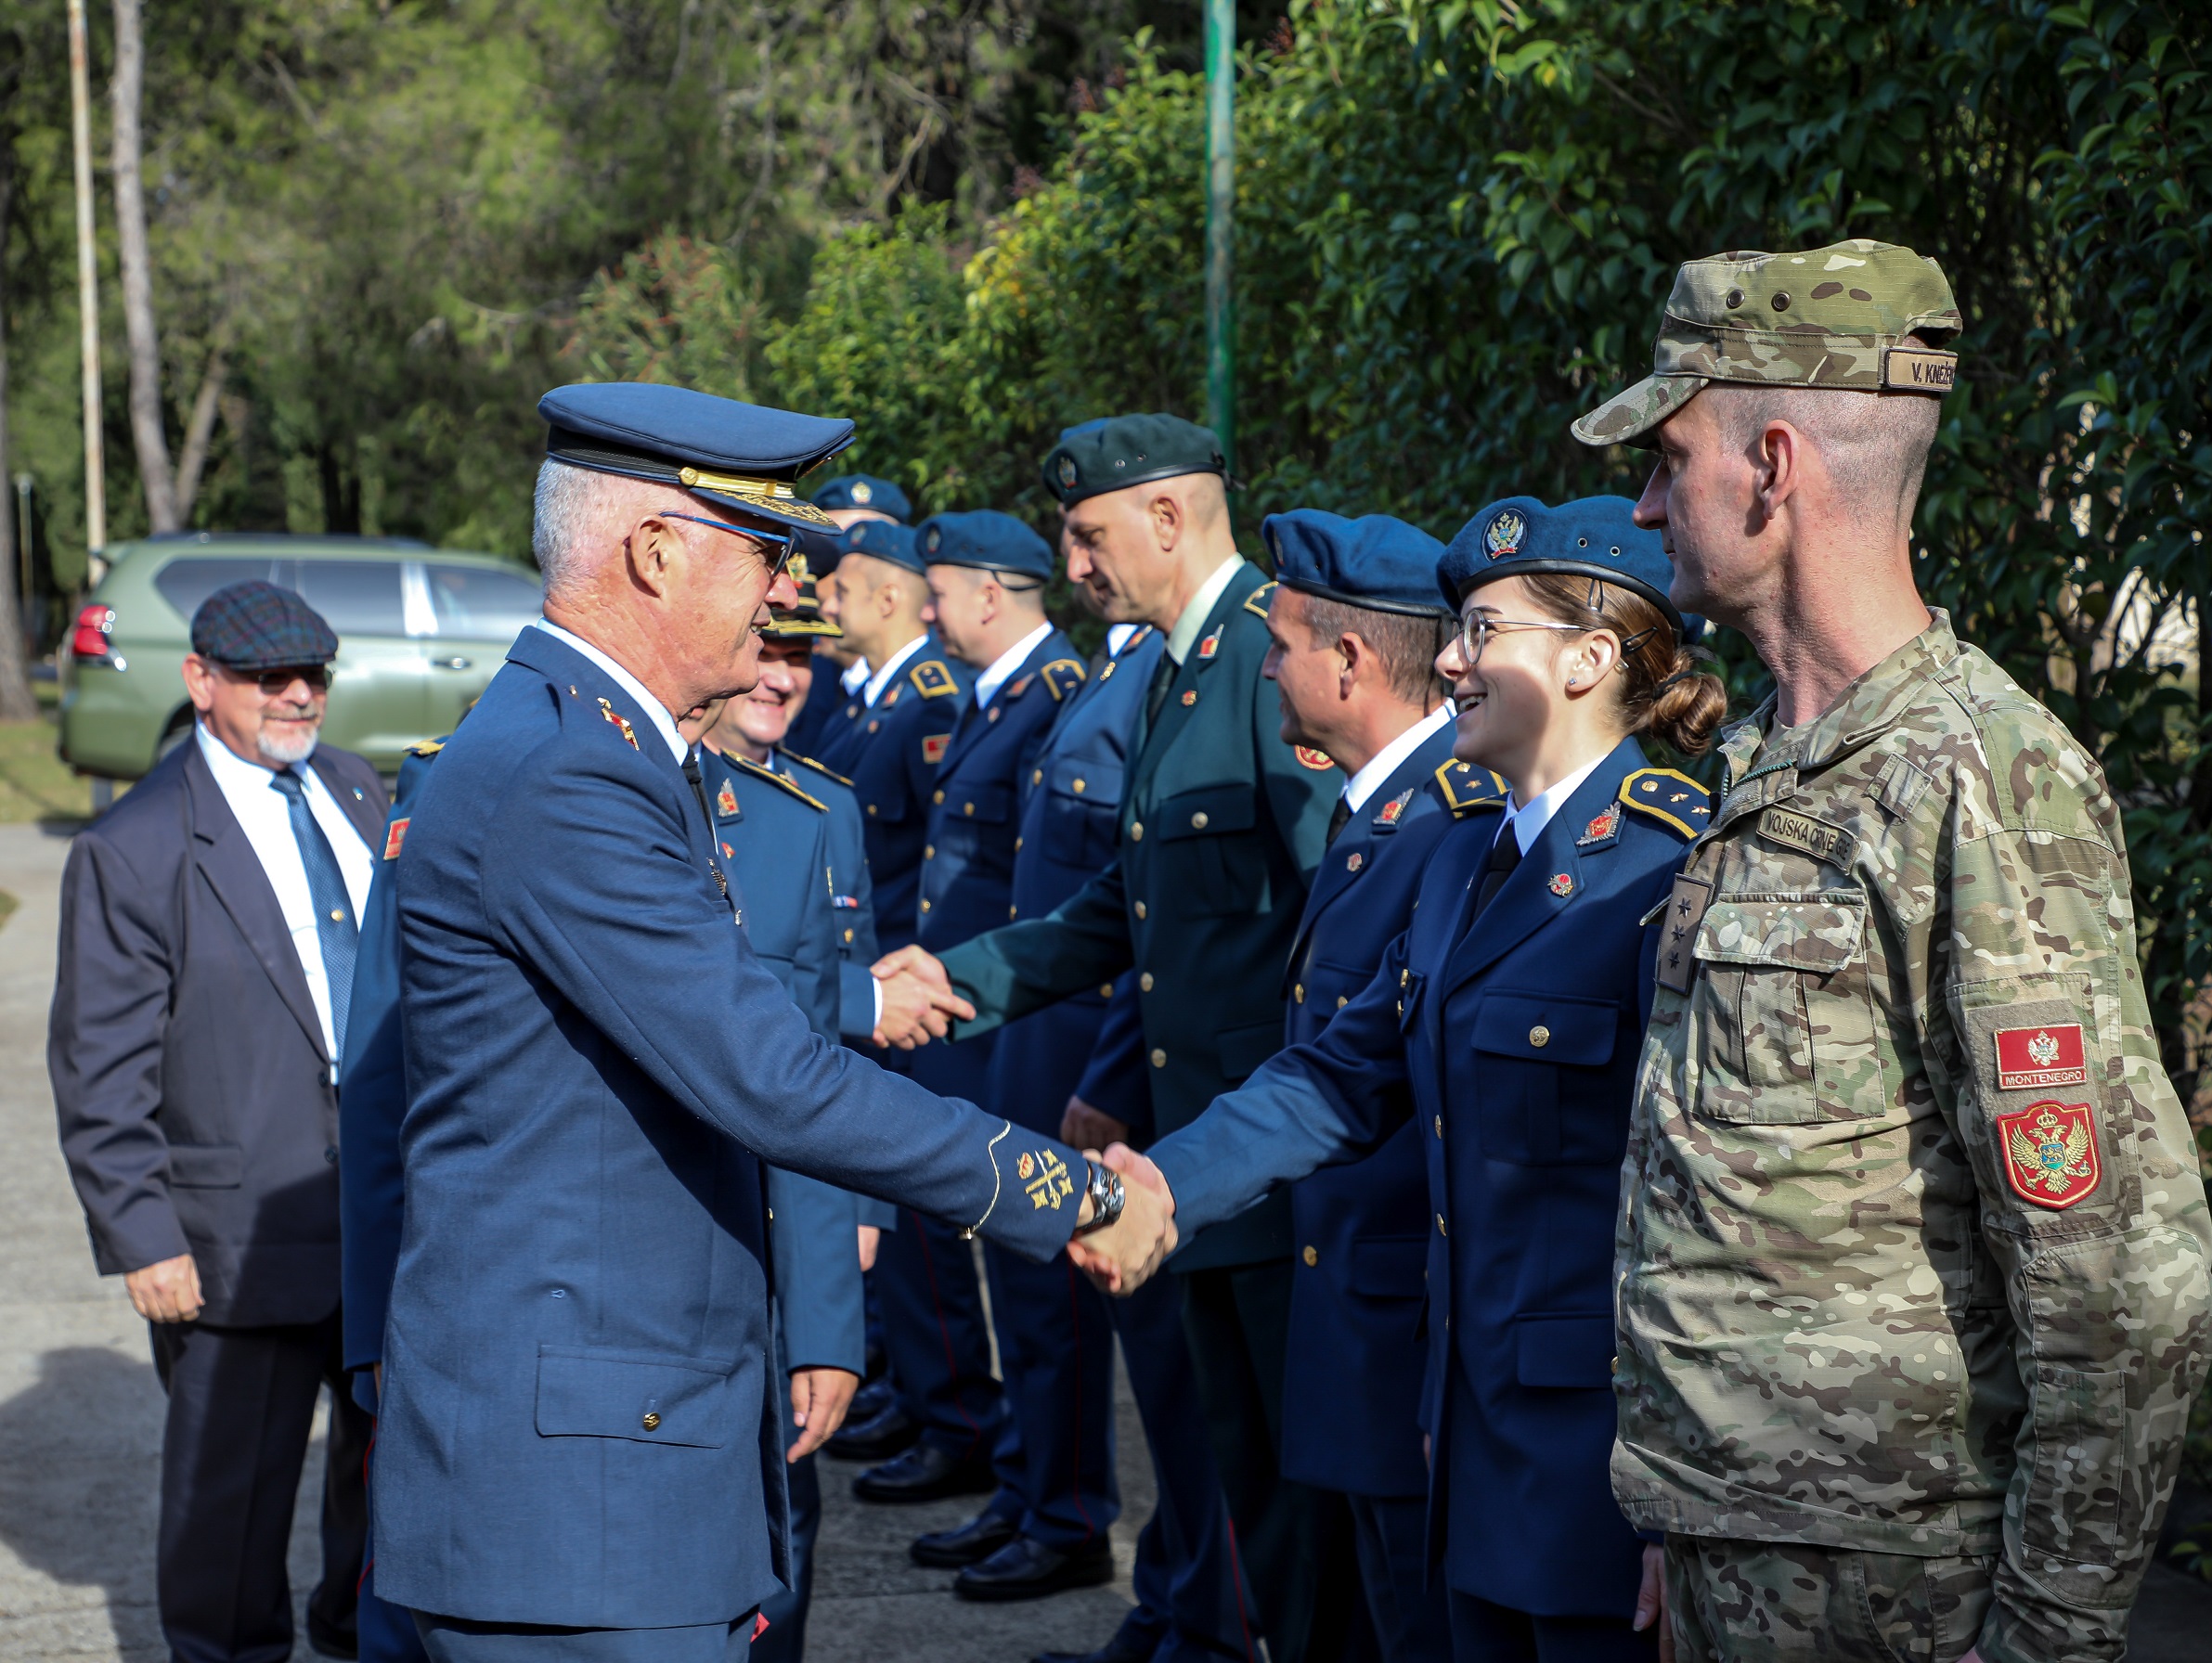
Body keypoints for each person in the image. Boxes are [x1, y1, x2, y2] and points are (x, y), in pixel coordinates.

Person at [371, 381, 1170, 1661]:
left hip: (619, 1465)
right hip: (582, 1506)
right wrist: (1068, 1191)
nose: (786, 590)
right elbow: (773, 1076)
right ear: (652, 552)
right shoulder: (571, 773)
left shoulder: (598, 748)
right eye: (764, 554)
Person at [1569, 239, 2212, 1663]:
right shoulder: (1765, 756)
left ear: (1771, 461)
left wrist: (2048, 1631)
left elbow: (2115, 1278)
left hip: (1897, 1592)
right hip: (1746, 1548)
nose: (1645, 501)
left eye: (1670, 457)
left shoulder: (1976, 776)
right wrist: (1695, 1514)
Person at [1088, 495, 1728, 1663]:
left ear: (1589, 660)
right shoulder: (1459, 857)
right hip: (1461, 1436)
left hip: (1604, 1468)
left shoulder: (1672, 872)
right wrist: (1156, 1186)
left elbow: (1710, 1214)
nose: (1446, 659)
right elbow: (1339, 1077)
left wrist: (1686, 1489)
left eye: (1483, 631)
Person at [879, 413, 1350, 1663]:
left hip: (1263, 1161)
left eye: (1088, 538)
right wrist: (952, 976)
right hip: (1194, 1146)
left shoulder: (1266, 657)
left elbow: (1333, 925)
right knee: (1220, 1463)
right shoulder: (1177, 670)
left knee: (1281, 1503)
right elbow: (1125, 912)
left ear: (1165, 517)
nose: (1076, 568)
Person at [50, 580, 386, 1663]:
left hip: (385, 1214)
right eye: (267, 677)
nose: (297, 696)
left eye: (314, 675)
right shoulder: (136, 845)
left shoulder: (355, 790)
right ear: (201, 682)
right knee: (230, 1508)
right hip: (232, 1239)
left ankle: (360, 1633)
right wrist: (142, 1232)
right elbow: (100, 1066)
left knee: (391, 1479)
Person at [1259, 509, 1474, 1661]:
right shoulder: (1375, 812)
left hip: (1406, 1344)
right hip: (1356, 1333)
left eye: (1282, 641)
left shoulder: (1442, 820)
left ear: (1348, 660)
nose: (1267, 669)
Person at [890, 509, 1104, 1590]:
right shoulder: (1007, 699)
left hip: (1037, 1026)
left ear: (987, 593)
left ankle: (1063, 1510)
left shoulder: (1059, 698)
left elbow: (1067, 897)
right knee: (1011, 1277)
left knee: (1043, 1284)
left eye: (937, 592)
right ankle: (1028, 1487)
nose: (925, 612)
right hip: (986, 1020)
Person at [788, 472, 910, 760]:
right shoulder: (790, 661)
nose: (851, 563)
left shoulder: (942, 678)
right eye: (838, 544)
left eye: (873, 546)